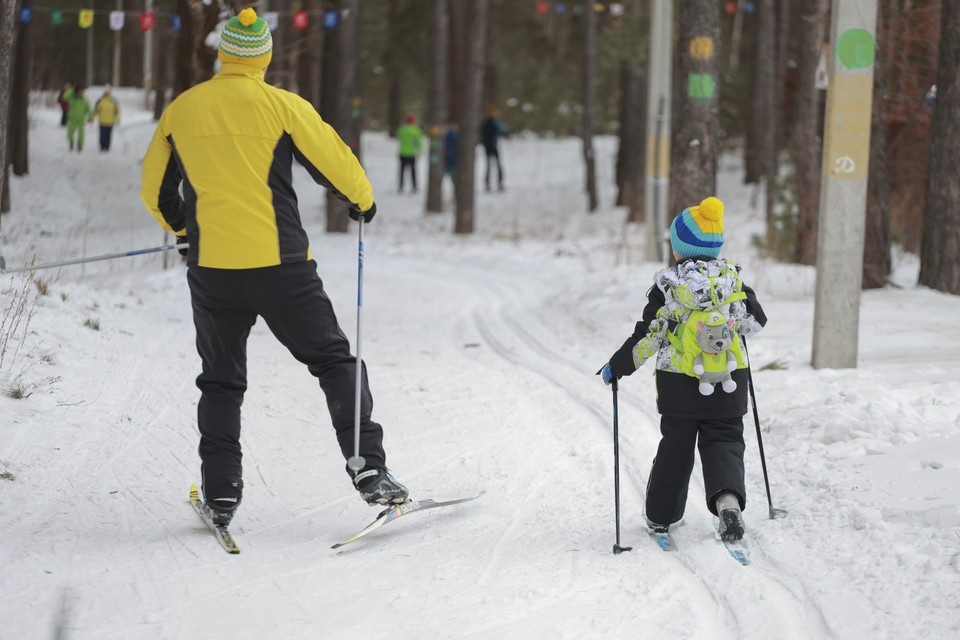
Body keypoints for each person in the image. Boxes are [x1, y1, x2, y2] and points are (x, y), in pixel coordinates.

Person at [140, 8, 407, 528]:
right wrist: (362, 200)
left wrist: (183, 231)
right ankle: (369, 471)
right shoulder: (282, 106)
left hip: (213, 270)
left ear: (224, 54)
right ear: (261, 55)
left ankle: (220, 494)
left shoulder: (183, 110)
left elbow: (155, 192)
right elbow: (336, 160)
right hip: (281, 269)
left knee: (220, 382)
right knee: (334, 362)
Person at [599, 197, 767, 541]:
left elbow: (648, 336)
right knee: (725, 440)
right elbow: (756, 322)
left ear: (678, 249)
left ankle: (661, 516)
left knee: (676, 446)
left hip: (680, 385)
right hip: (730, 379)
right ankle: (728, 502)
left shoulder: (669, 288)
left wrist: (618, 366)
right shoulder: (733, 282)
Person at [479, 105, 509, 191]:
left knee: (490, 166)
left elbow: (480, 132)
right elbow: (502, 131)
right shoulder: (494, 122)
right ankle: (497, 183)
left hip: (488, 146)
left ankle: (489, 184)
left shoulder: (486, 122)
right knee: (496, 165)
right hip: (492, 146)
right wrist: (506, 134)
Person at [396, 114, 423, 193]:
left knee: (402, 170)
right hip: (411, 153)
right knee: (413, 171)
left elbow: (398, 137)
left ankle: (400, 186)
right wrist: (419, 151)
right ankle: (414, 186)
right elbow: (419, 142)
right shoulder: (416, 130)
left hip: (402, 152)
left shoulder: (402, 129)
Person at [64, 85, 92, 152]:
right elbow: (65, 96)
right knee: (69, 133)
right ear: (76, 91)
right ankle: (71, 142)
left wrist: (90, 117)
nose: (81, 92)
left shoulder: (85, 100)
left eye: (82, 91)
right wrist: (72, 91)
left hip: (81, 119)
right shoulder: (72, 98)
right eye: (80, 91)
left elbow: (89, 109)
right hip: (72, 119)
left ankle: (80, 146)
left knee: (81, 134)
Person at [93, 85, 121, 152]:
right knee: (102, 135)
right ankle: (102, 146)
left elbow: (116, 111)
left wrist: (118, 119)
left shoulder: (113, 102)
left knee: (108, 135)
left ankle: (107, 147)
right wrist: (92, 118)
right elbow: (96, 111)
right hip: (102, 121)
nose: (107, 94)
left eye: (108, 92)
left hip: (110, 122)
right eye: (105, 92)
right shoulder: (100, 101)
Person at [443, 122, 459, 189]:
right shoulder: (457, 136)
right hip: (454, 160)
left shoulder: (445, 136)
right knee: (454, 176)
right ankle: (456, 189)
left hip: (446, 159)